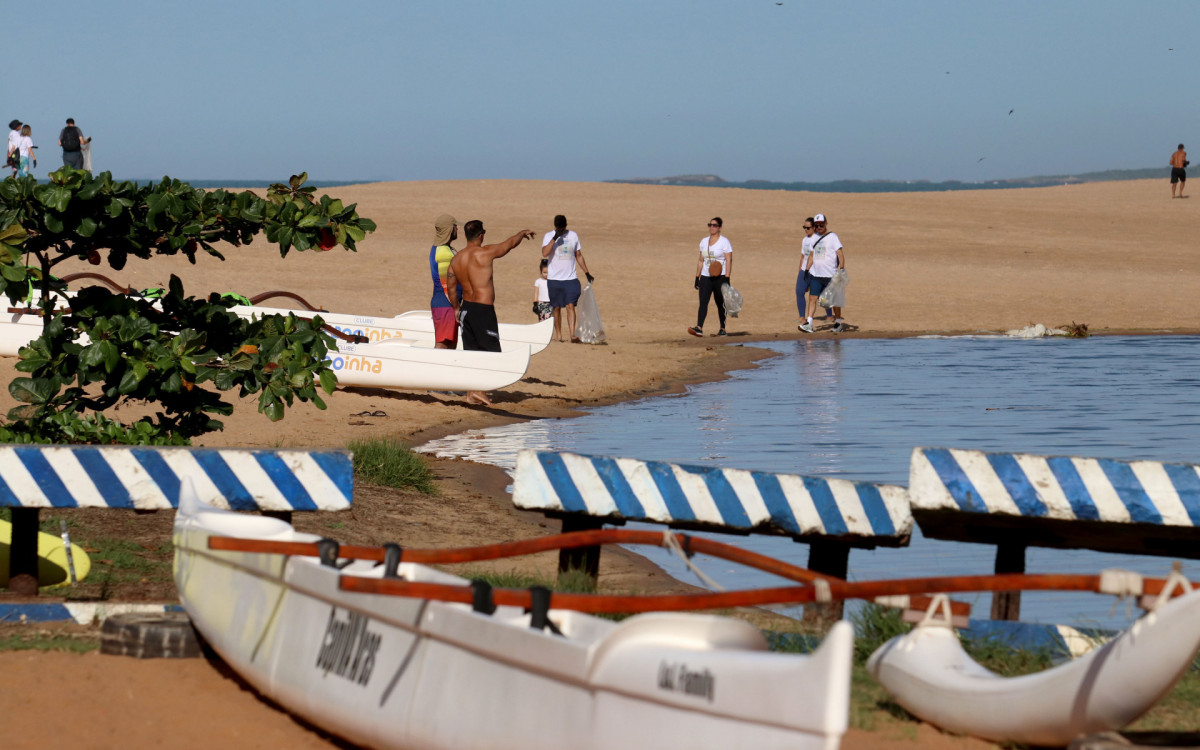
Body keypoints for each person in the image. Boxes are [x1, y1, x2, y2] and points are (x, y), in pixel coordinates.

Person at [447, 220, 536, 406]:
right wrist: (521, 233)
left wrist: (456, 308)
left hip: (466, 310)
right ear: (481, 235)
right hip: (482, 310)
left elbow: (452, 289)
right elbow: (509, 244)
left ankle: (472, 392)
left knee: (472, 352)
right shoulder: (484, 253)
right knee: (492, 352)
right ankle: (477, 389)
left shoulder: (456, 260)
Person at [541, 215, 593, 343]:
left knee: (570, 306)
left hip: (570, 278)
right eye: (559, 228)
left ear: (566, 225)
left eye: (562, 228)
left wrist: (587, 272)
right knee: (556, 308)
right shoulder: (549, 236)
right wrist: (554, 238)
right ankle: (558, 335)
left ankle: (572, 334)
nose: (561, 229)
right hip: (554, 279)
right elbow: (544, 253)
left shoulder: (573, 236)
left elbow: (578, 255)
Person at [800, 214, 846, 333]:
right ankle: (809, 323)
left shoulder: (833, 237)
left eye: (821, 224)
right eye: (816, 225)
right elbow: (811, 255)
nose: (819, 227)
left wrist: (842, 270)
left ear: (826, 223)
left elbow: (840, 254)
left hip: (830, 276)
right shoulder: (813, 238)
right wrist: (806, 269)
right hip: (816, 275)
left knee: (833, 302)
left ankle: (838, 322)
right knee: (812, 298)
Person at [688, 217, 732, 337]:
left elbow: (729, 260)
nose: (712, 227)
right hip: (706, 276)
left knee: (720, 302)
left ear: (719, 228)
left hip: (720, 277)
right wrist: (697, 276)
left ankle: (722, 329)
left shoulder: (724, 242)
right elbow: (701, 260)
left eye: (715, 225)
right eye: (710, 225)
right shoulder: (704, 241)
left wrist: (727, 278)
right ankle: (699, 328)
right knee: (703, 302)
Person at [428, 214, 460, 349]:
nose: (457, 229)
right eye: (455, 226)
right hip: (446, 305)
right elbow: (446, 284)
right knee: (442, 346)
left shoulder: (442, 249)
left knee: (450, 347)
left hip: (445, 304)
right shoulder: (444, 253)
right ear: (449, 229)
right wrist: (456, 307)